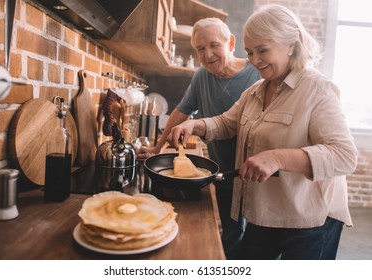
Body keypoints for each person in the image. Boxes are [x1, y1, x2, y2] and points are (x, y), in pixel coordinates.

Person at [168, 4, 358, 260]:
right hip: (265, 211)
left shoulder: (317, 89)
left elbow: (344, 155)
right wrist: (195, 125)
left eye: (262, 50)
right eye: (249, 51)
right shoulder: (256, 90)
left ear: (290, 45)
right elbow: (226, 123)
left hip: (310, 220)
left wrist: (277, 158)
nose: (254, 60)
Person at [139, 17, 261, 259]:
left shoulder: (256, 74)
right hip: (223, 173)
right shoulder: (201, 77)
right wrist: (157, 148)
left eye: (214, 45)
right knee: (230, 236)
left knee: (257, 243)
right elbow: (181, 112)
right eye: (200, 49)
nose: (207, 54)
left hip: (256, 176)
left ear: (231, 42)